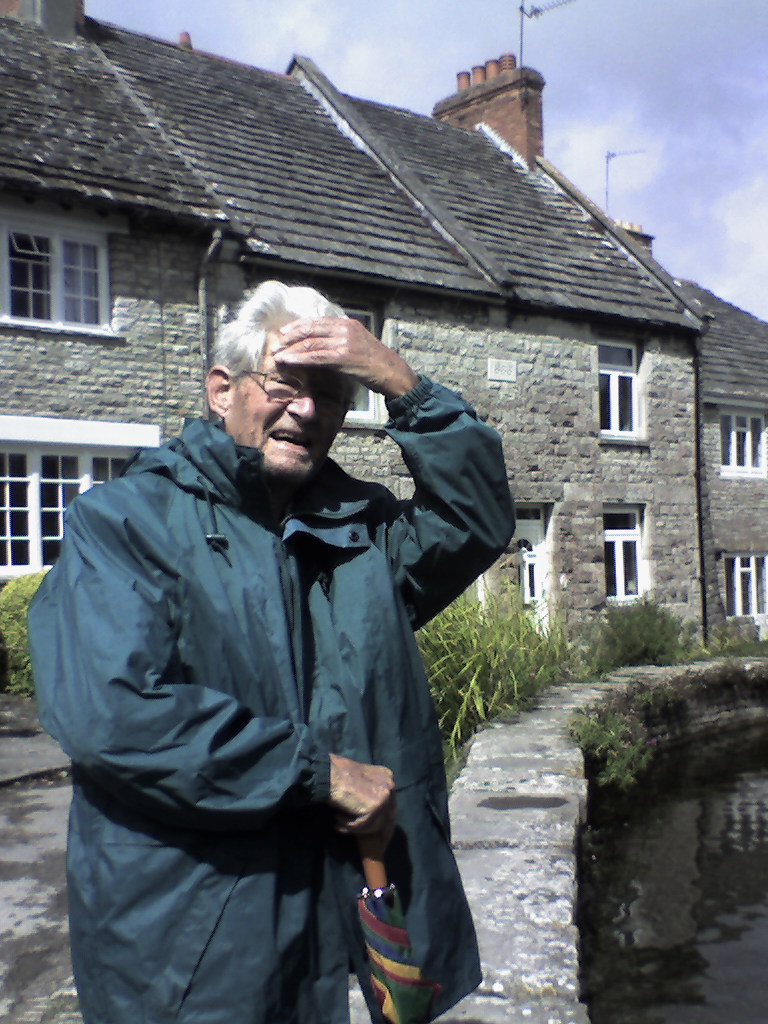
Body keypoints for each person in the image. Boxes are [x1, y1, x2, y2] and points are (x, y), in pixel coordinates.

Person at [29, 280, 515, 1024]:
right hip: (195, 946)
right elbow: (112, 716)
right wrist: (317, 773)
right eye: (286, 384)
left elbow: (476, 520)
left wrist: (402, 385)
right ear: (221, 390)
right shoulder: (126, 522)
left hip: (349, 920)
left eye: (332, 395)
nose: (309, 410)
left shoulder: (363, 532)